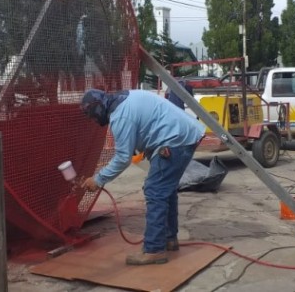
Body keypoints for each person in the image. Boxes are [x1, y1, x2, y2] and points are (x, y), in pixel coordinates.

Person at [80, 88, 205, 265]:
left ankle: (154, 249)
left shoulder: (120, 117)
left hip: (175, 139)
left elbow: (123, 158)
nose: (93, 120)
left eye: (91, 116)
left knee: (155, 191)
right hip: (184, 134)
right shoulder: (126, 97)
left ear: (97, 109)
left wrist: (99, 179)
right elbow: (148, 122)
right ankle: (169, 239)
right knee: (165, 191)